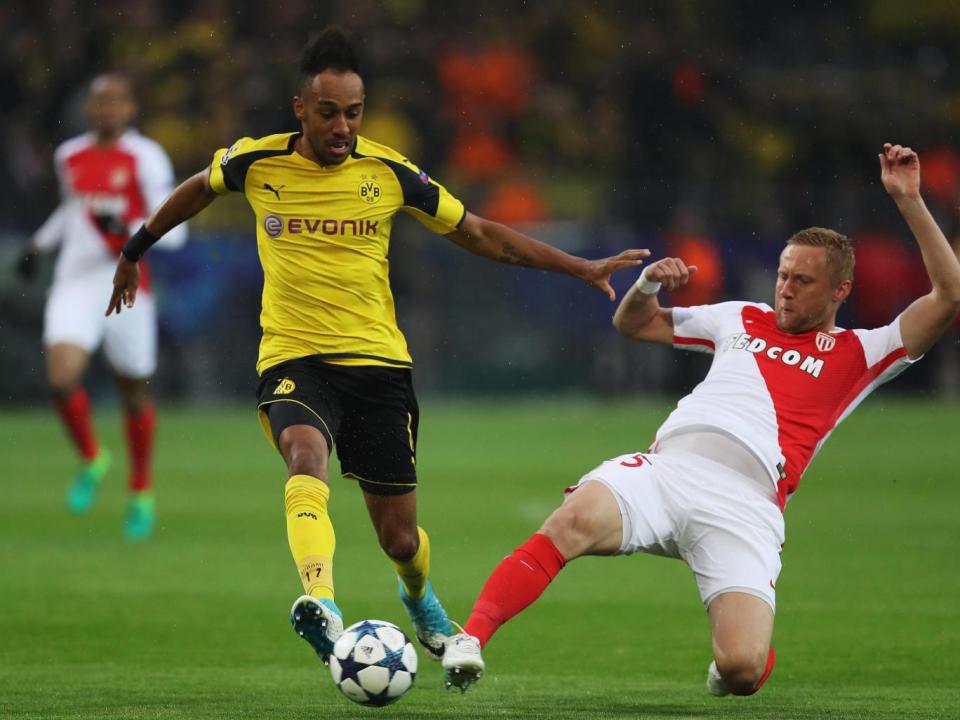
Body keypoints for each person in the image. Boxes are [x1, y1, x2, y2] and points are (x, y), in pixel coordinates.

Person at [104, 27, 647, 667]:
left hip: (378, 366)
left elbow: (477, 232)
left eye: (354, 113)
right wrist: (135, 249)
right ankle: (322, 603)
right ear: (300, 108)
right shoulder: (257, 162)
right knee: (304, 457)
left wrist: (578, 267)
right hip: (293, 356)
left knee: (398, 537)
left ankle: (418, 597)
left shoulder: (389, 172)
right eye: (329, 112)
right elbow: (199, 186)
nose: (342, 127)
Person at [441, 143, 960, 695]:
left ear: (841, 290)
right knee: (570, 521)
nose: (785, 288)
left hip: (745, 506)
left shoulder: (865, 351)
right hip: (668, 471)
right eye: (783, 274)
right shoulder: (740, 316)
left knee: (741, 669)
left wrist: (909, 201)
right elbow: (634, 325)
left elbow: (949, 295)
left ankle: (735, 665)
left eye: (802, 281)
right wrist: (646, 286)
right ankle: (469, 639)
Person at [16, 73, 186, 540]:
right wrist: (39, 244)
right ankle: (93, 457)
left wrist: (128, 224)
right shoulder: (68, 155)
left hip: (128, 284)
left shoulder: (146, 157)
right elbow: (73, 210)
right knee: (60, 377)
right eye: (99, 102)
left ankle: (140, 489)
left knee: (134, 393)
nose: (107, 110)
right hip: (75, 281)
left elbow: (176, 228)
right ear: (90, 110)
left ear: (131, 107)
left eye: (116, 101)